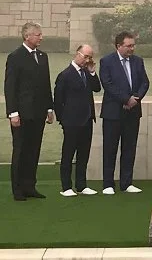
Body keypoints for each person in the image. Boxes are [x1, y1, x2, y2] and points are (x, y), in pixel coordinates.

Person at [4, 22, 54, 201]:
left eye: (41, 34)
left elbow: (46, 84)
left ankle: (30, 186)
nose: (41, 37)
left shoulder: (43, 56)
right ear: (27, 36)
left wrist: (49, 108)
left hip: (39, 113)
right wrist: (13, 112)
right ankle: (18, 189)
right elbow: (10, 87)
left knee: (34, 150)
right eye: (38, 34)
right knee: (21, 150)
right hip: (22, 114)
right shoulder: (15, 57)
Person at [99, 31, 149, 195]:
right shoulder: (107, 61)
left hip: (133, 112)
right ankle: (108, 184)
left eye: (133, 45)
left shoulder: (138, 61)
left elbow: (144, 82)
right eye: (128, 46)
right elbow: (107, 83)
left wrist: (136, 98)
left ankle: (126, 182)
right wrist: (125, 99)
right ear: (118, 46)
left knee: (129, 148)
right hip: (113, 112)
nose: (131, 49)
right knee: (110, 148)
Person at [54, 44, 101, 197]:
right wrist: (63, 120)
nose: (87, 60)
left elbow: (97, 88)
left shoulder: (87, 73)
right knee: (68, 154)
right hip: (71, 122)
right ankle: (66, 186)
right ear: (77, 54)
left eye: (90, 57)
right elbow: (58, 100)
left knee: (83, 154)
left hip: (87, 119)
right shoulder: (65, 75)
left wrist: (93, 72)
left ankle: (81, 185)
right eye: (85, 56)